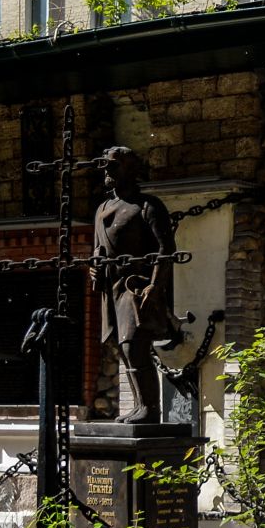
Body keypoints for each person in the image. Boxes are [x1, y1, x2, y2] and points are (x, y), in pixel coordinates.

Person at [92, 146, 182, 422]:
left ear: (130, 170)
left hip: (135, 287)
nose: (107, 172)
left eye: (113, 166)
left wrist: (155, 286)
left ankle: (149, 410)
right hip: (112, 286)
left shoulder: (148, 206)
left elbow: (165, 249)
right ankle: (138, 406)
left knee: (135, 345)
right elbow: (98, 249)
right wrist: (94, 268)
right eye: (106, 167)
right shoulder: (103, 208)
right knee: (121, 348)